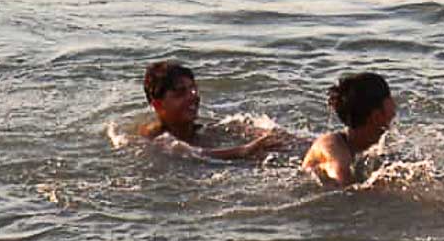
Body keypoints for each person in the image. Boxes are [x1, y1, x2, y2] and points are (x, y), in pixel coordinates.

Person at [139, 60, 283, 159]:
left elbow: (229, 126)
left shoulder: (198, 127)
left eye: (193, 89)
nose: (193, 97)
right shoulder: (155, 137)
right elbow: (197, 154)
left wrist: (266, 134)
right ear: (158, 105)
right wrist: (245, 150)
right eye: (180, 93)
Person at [302, 72, 398, 187]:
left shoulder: (373, 145)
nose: (394, 104)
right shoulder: (334, 149)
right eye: (389, 97)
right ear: (376, 116)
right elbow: (343, 185)